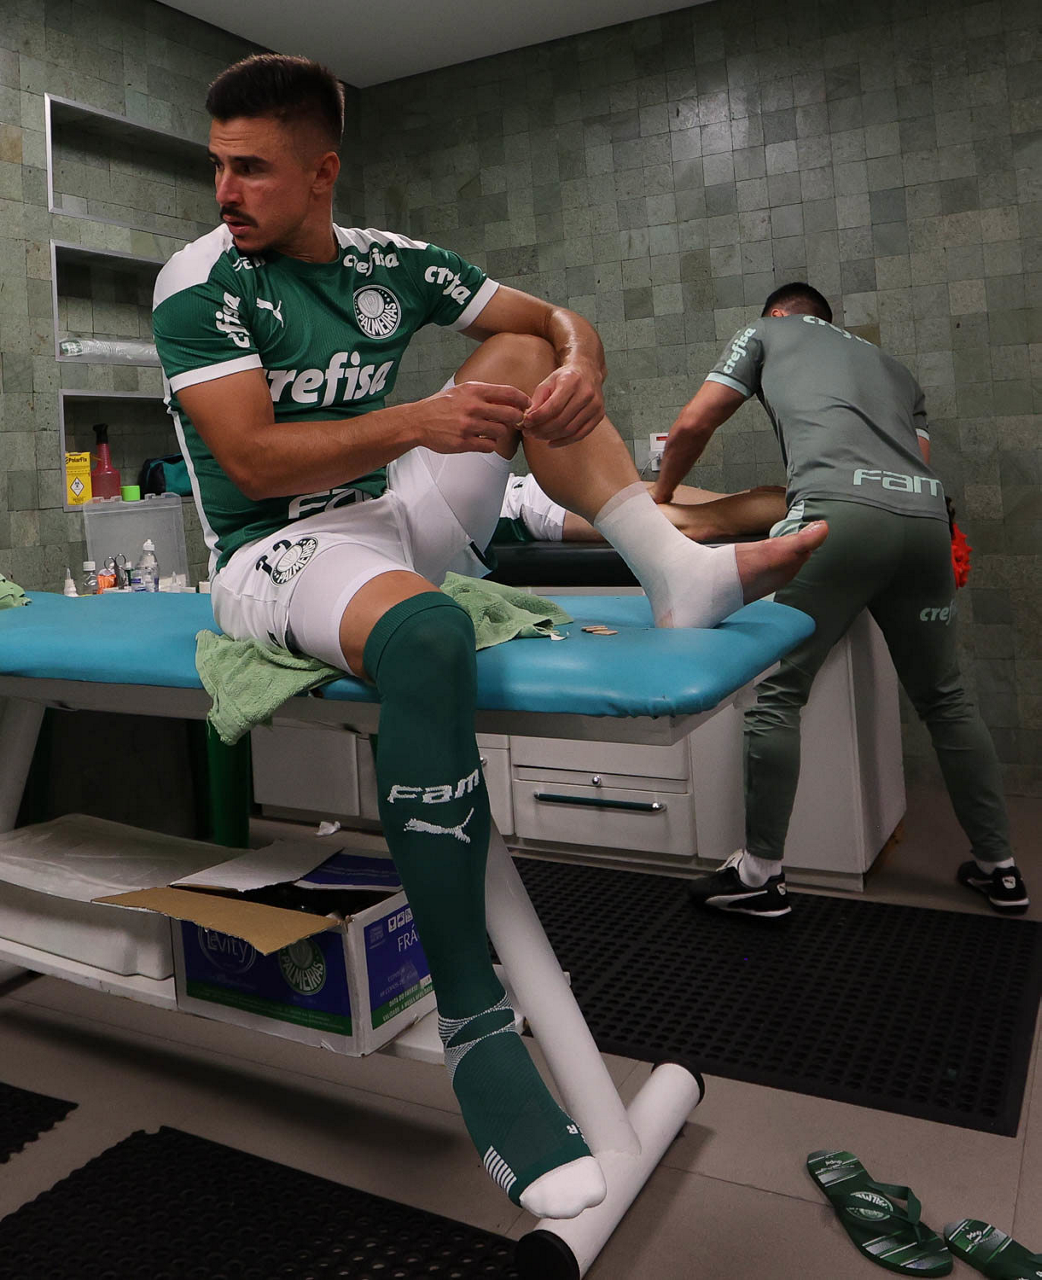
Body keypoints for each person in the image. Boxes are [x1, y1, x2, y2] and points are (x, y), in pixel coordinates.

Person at [151, 55, 827, 1220]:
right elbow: (252, 462)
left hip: (391, 513)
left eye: (251, 168)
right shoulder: (201, 281)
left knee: (524, 359)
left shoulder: (388, 261)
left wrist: (583, 361)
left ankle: (674, 571)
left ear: (321, 172)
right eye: (218, 165)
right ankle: (475, 1021)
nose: (225, 190)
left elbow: (547, 320)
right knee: (424, 635)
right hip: (278, 548)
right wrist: (419, 418)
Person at [652, 282, 1028, 920]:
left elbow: (694, 422)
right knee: (946, 699)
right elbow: (917, 461)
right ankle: (1002, 869)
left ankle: (759, 875)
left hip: (835, 521)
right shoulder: (896, 370)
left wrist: (661, 495)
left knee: (776, 691)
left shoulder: (766, 331)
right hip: (926, 528)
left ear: (779, 313)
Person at [496, 473, 787, 544]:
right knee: (721, 500)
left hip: (532, 511)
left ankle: (807, 506)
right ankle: (801, 498)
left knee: (702, 520)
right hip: (537, 487)